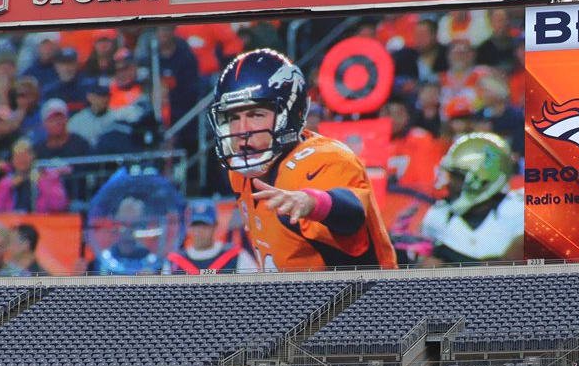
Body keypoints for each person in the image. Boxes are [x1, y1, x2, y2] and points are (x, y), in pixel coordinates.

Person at [209, 48, 397, 271]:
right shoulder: (240, 172)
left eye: (256, 115)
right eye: (233, 117)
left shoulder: (326, 159)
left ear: (291, 114)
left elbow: (353, 213)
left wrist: (314, 203)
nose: (241, 130)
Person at [420, 132, 523, 265]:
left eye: (457, 177)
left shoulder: (518, 210)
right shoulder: (438, 215)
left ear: (483, 178)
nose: (448, 183)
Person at [383, 95, 444, 198]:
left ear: (407, 117)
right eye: (388, 113)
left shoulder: (420, 139)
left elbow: (425, 183)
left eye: (398, 114)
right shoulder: (369, 141)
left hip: (411, 200)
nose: (392, 119)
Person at [0, 137, 69, 214]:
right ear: (12, 160)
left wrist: (41, 182)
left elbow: (59, 205)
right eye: (17, 156)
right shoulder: (6, 182)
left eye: (25, 155)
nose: (21, 159)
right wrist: (8, 186)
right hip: (13, 222)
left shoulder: (47, 176)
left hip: (42, 221)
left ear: (33, 156)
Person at [164, 199, 243, 275]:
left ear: (215, 226)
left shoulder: (236, 256)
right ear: (187, 227)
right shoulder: (173, 261)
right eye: (194, 225)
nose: (198, 230)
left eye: (204, 225)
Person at [43, 48, 92, 114]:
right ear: (56, 66)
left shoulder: (89, 87)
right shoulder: (49, 91)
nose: (66, 68)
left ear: (76, 65)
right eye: (63, 64)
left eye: (70, 64)